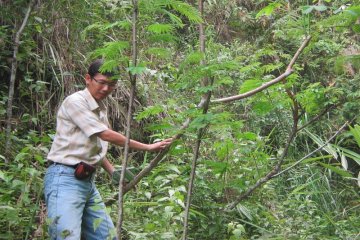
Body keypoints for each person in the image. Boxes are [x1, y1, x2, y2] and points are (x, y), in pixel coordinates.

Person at [44, 59, 172, 240]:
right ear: (88, 79)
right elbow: (105, 135)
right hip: (64, 179)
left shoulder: (100, 109)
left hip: (87, 182)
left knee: (107, 237)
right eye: (102, 82)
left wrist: (113, 172)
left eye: (111, 85)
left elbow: (93, 146)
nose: (106, 89)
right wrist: (148, 147)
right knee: (66, 236)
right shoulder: (76, 102)